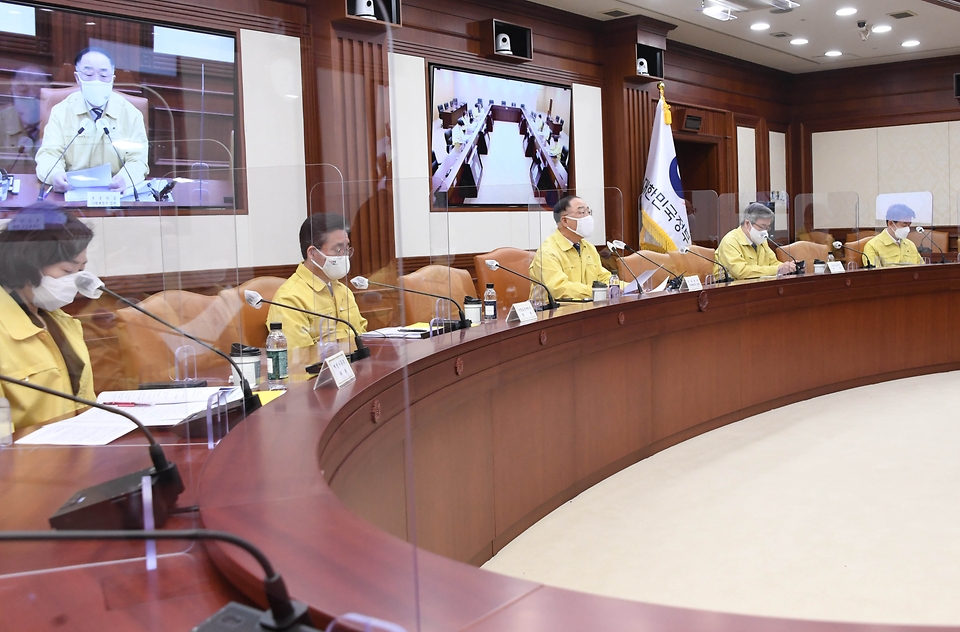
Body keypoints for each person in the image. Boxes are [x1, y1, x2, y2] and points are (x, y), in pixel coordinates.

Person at [0, 203, 96, 430]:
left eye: (80, 271)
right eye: (66, 271)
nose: (74, 281)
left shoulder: (62, 321)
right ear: (28, 263)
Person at [35, 46, 148, 192]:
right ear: (77, 78)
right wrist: (55, 175)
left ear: (112, 79)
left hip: (114, 193)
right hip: (70, 192)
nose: (96, 81)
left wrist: (125, 179)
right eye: (88, 74)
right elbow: (49, 154)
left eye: (103, 75)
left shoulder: (132, 114)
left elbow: (138, 160)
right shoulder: (61, 111)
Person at [268, 213, 367, 349]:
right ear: (313, 253)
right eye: (338, 249)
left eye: (346, 248)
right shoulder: (289, 299)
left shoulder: (343, 290)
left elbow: (363, 335)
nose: (344, 255)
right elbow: (299, 358)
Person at [530, 196, 623, 300]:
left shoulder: (588, 247)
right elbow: (559, 289)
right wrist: (598, 291)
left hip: (586, 308)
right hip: (555, 312)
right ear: (565, 221)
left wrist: (630, 287)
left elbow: (603, 278)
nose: (588, 217)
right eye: (582, 212)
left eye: (588, 212)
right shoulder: (547, 252)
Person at [715, 202, 795, 280]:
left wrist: (788, 267)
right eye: (762, 226)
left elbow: (773, 263)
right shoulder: (730, 241)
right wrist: (777, 269)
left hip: (756, 286)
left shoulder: (761, 240)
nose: (765, 231)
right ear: (747, 224)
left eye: (767, 228)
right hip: (730, 289)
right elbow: (741, 272)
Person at [0, 66, 48, 172]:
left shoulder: (61, 122)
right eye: (23, 91)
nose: (31, 97)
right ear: (12, 92)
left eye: (37, 95)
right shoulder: (2, 121)